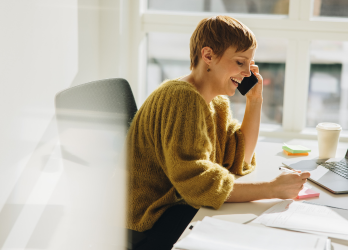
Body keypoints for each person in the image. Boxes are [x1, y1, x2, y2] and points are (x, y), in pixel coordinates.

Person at [126, 15, 310, 250]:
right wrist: (271, 188)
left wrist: (255, 100)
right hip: (148, 223)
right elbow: (196, 184)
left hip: (178, 207)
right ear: (208, 56)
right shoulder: (181, 98)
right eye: (240, 62)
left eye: (250, 63)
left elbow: (238, 158)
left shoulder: (215, 103)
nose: (248, 72)